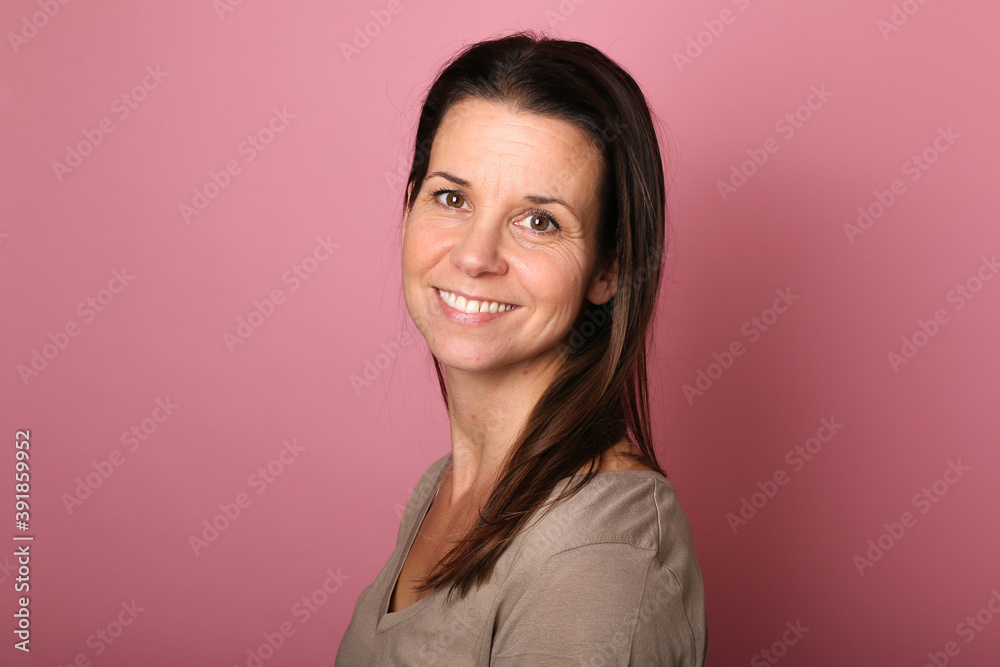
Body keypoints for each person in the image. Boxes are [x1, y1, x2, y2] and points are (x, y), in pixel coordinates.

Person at [336, 30, 707, 666]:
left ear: (608, 269)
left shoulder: (598, 549)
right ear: (408, 206)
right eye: (451, 198)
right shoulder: (444, 487)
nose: (475, 256)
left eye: (539, 221)